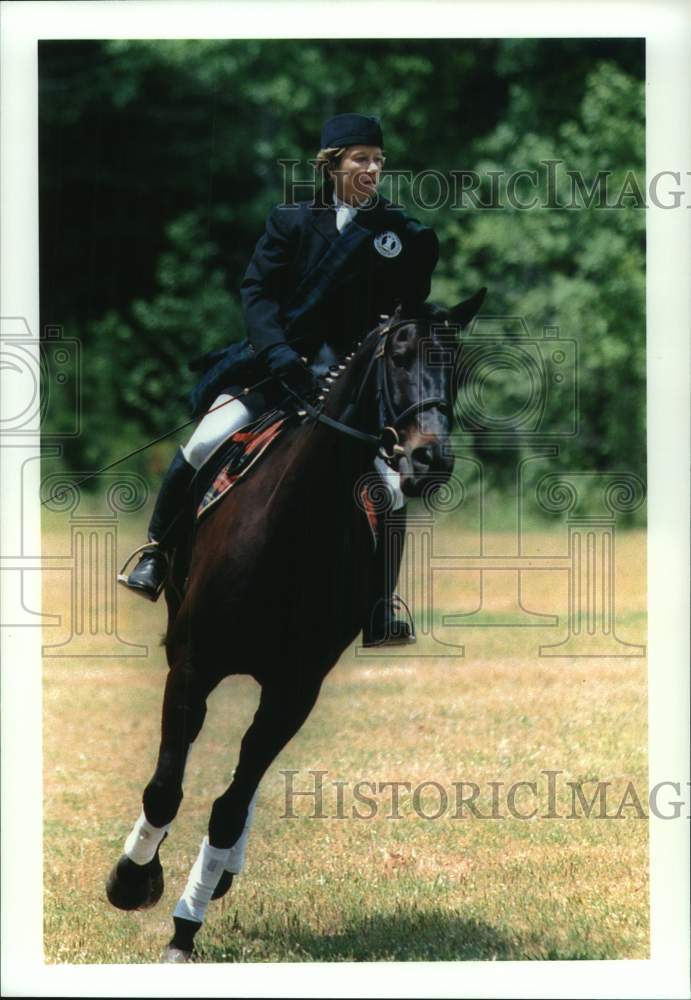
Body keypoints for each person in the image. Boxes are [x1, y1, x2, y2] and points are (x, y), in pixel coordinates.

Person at [118, 113, 439, 646]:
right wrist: (279, 354)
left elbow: (406, 304)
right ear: (332, 164)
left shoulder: (392, 231)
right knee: (202, 443)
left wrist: (416, 248)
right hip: (276, 365)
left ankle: (381, 606)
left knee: (390, 489)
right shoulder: (290, 220)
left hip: (347, 382)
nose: (372, 168)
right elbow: (257, 294)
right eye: (361, 158)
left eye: (379, 160)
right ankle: (156, 553)